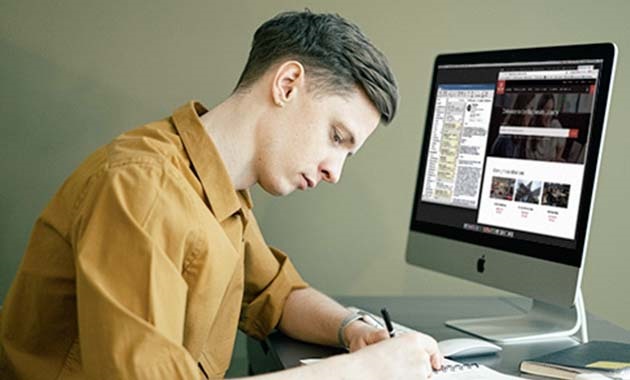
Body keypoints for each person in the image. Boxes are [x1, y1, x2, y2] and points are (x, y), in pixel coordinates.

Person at [0, 10, 442, 380]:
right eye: (336, 136)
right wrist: (363, 371)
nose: (334, 171)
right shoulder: (141, 187)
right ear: (287, 84)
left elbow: (277, 295)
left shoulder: (221, 189)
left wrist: (352, 330)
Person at [524, 94, 566, 161]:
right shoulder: (533, 126)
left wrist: (557, 158)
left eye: (551, 110)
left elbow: (561, 145)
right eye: (546, 109)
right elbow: (528, 154)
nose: (549, 114)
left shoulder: (555, 125)